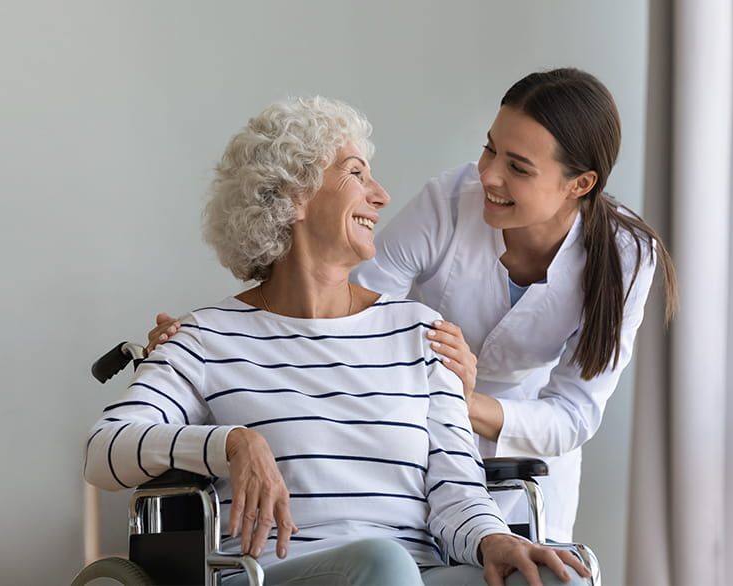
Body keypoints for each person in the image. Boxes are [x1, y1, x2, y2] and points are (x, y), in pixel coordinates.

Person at [145, 68, 677, 541]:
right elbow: (343, 310)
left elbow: (574, 413)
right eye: (490, 149)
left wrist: (461, 400)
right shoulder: (449, 202)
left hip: (520, 450)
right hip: (414, 438)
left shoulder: (627, 258)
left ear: (579, 184)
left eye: (518, 167)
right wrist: (195, 348)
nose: (488, 175)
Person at [86, 96, 590, 585]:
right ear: (293, 196)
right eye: (355, 173)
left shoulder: (420, 332)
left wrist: (494, 540)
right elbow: (103, 449)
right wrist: (231, 443)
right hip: (280, 572)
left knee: (554, 577)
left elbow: (457, 492)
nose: (381, 196)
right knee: (382, 564)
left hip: (419, 570)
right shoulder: (204, 338)